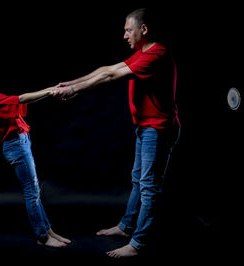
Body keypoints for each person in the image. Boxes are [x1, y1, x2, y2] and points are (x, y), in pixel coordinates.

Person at [53, 8, 181, 258]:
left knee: (148, 187)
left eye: (128, 30)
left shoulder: (156, 55)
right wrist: (72, 83)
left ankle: (137, 243)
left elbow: (111, 76)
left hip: (158, 129)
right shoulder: (142, 53)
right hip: (145, 127)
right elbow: (105, 68)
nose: (124, 36)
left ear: (143, 30)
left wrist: (75, 91)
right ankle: (126, 227)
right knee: (138, 180)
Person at [0, 85, 71, 248]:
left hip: (18, 145)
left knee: (34, 192)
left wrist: (50, 91)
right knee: (32, 193)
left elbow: (21, 103)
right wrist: (50, 91)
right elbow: (22, 98)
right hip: (17, 146)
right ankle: (42, 236)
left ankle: (47, 230)